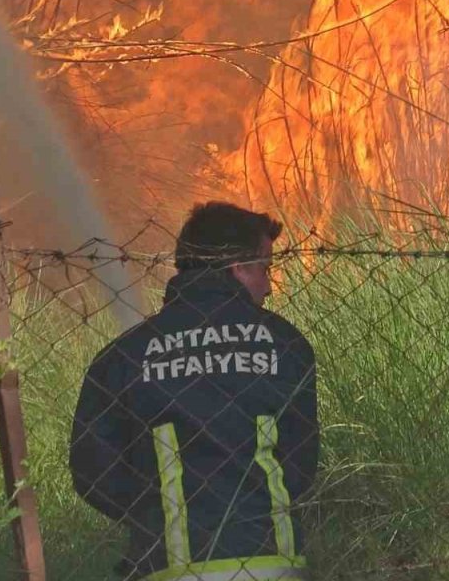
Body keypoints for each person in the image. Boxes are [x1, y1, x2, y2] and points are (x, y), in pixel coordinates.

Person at [69, 201, 319, 581]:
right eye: (265, 269)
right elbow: (301, 459)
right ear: (238, 266)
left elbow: (94, 471)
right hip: (272, 565)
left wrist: (159, 512)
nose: (269, 287)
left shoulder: (124, 356)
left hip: (169, 567)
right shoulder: (283, 343)